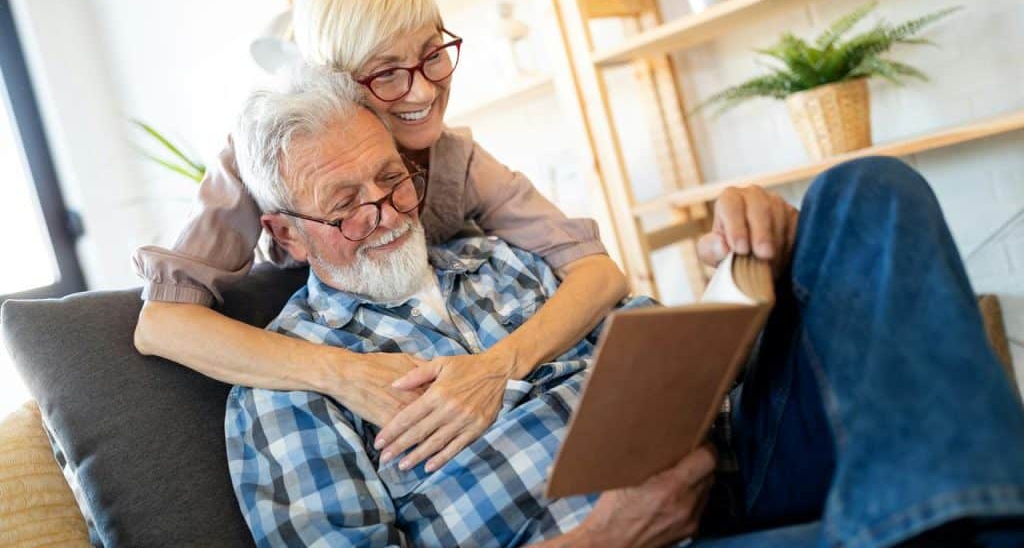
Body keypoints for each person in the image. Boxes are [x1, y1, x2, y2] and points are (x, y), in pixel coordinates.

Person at [225, 67, 1024, 548]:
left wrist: (763, 267)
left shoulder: (497, 258)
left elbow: (680, 355)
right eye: (346, 205)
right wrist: (606, 538)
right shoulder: (286, 391)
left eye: (393, 179)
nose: (390, 213)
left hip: (734, 474)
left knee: (862, 191)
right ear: (286, 237)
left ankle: (935, 518)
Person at [132, 0, 631, 471]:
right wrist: (343, 374)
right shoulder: (266, 158)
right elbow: (163, 324)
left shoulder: (456, 158)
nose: (422, 92)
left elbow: (598, 271)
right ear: (333, 80)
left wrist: (496, 368)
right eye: (386, 73)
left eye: (433, 55)